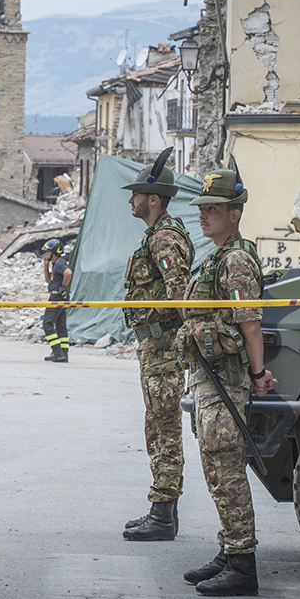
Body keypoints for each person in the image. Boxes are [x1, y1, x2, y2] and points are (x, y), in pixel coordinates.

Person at [177, 169, 277, 597]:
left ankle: (242, 563)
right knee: (216, 469)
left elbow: (250, 324)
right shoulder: (216, 256)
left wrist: (257, 377)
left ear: (234, 214)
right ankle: (228, 550)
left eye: (213, 209)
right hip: (208, 377)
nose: (204, 216)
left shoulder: (235, 259)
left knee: (227, 468)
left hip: (226, 380)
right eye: (201, 208)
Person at [120, 150, 194, 541]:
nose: (130, 200)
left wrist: (187, 344)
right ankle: (164, 511)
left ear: (154, 198)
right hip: (154, 348)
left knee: (163, 427)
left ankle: (162, 513)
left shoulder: (164, 238)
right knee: (158, 423)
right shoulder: (155, 236)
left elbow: (179, 294)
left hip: (163, 349)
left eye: (135, 194)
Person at [41, 238, 72, 363]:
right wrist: (46, 266)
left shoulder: (60, 263)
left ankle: (57, 352)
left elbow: (68, 273)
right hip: (59, 296)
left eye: (48, 251)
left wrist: (62, 286)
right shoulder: (55, 264)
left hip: (57, 297)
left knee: (47, 323)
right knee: (60, 325)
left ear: (54, 251)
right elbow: (48, 280)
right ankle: (63, 354)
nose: (46, 253)